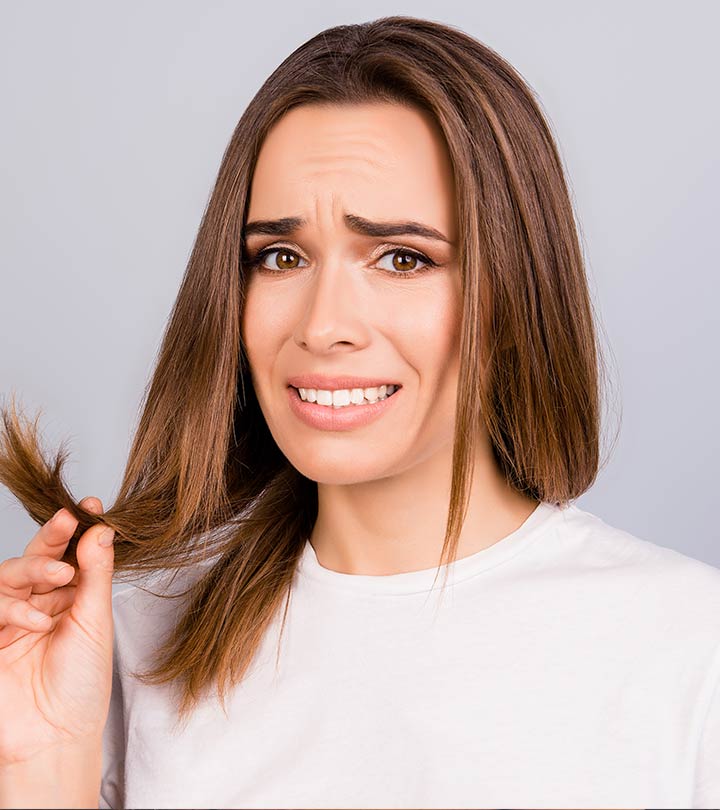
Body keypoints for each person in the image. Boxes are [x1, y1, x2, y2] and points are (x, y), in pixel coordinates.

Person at [0, 14, 718, 810]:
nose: (321, 325)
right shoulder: (118, 653)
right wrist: (38, 771)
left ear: (514, 294)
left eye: (402, 258)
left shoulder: (688, 652)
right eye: (281, 257)